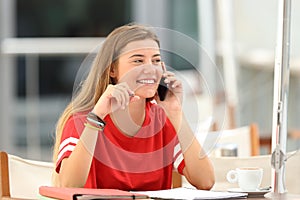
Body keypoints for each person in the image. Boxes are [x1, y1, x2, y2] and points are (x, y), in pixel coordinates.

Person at [52, 23, 215, 191]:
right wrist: (97, 116)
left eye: (156, 60)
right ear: (112, 70)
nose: (150, 69)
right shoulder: (83, 121)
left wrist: (176, 112)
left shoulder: (163, 120)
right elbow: (69, 185)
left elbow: (206, 181)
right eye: (138, 60)